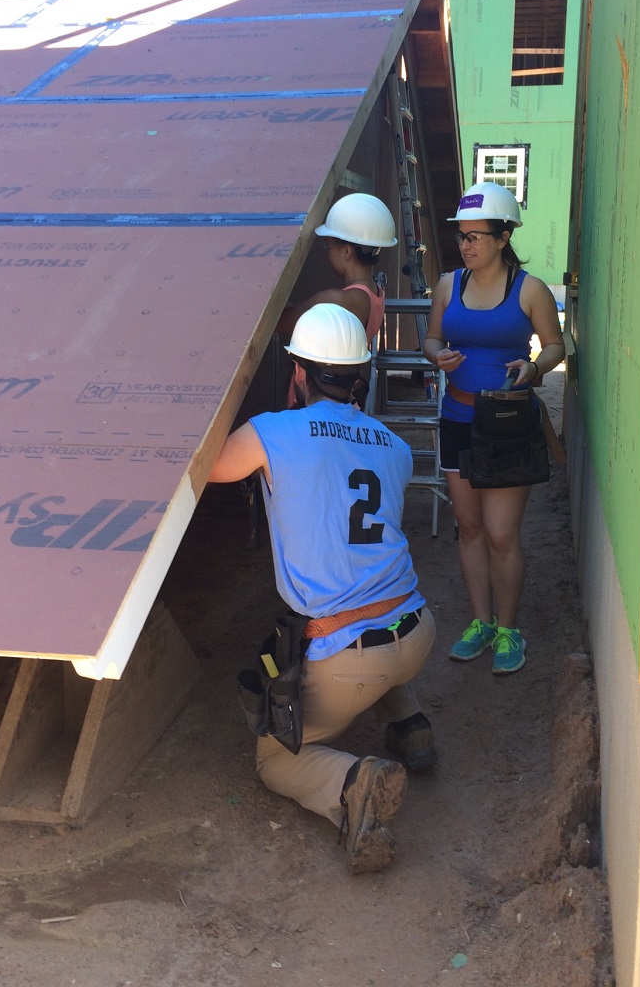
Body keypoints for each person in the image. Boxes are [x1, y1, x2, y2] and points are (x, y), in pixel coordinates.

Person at [209, 303, 436, 875]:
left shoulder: (273, 432)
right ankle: (411, 725)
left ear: (300, 373)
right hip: (417, 629)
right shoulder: (393, 444)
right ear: (360, 375)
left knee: (276, 760)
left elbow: (206, 468)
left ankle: (354, 781)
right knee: (372, 609)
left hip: (347, 658)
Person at [422, 184, 565, 675]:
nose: (466, 245)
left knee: (502, 534)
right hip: (458, 418)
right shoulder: (447, 285)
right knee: (470, 528)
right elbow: (433, 335)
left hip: (506, 423)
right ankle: (480, 623)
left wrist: (535, 368)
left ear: (504, 237)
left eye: (477, 237)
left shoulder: (529, 289)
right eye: (462, 237)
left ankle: (508, 629)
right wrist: (434, 354)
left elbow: (554, 346)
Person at [276, 193, 398, 394]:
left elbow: (280, 322)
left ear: (347, 251)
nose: (327, 252)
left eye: (328, 246)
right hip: (338, 396)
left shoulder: (340, 300)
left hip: (317, 399)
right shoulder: (375, 292)